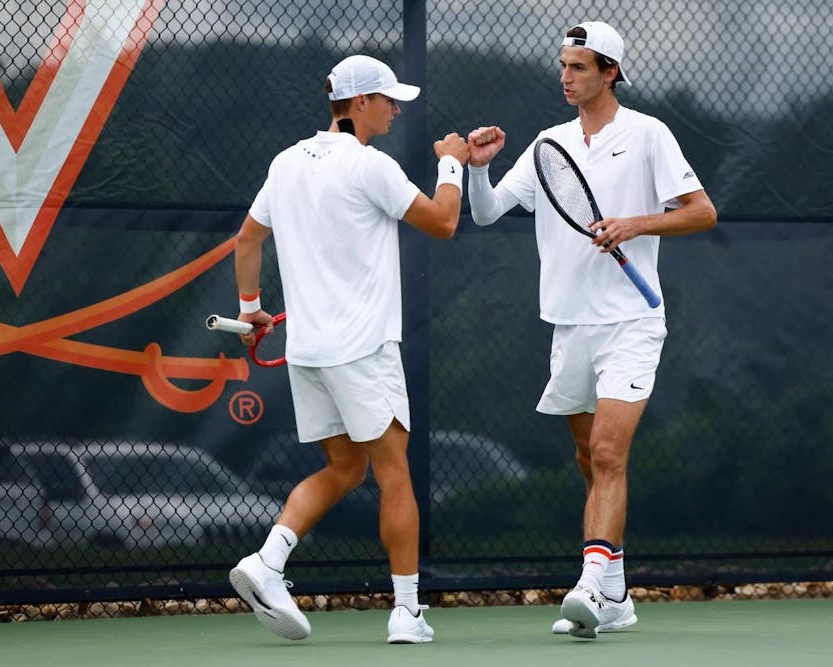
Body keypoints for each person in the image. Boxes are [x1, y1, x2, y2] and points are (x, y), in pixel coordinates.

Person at [466, 21, 717, 639]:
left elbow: (702, 212)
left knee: (607, 452)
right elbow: (487, 212)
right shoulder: (547, 143)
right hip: (570, 325)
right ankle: (616, 593)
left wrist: (636, 224)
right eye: (563, 65)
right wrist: (476, 170)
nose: (566, 76)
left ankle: (589, 586)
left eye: (578, 66)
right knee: (589, 459)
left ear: (610, 73)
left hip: (632, 323)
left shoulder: (649, 134)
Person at [228, 54, 469, 645]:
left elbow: (248, 239)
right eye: (388, 100)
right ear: (359, 103)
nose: (395, 111)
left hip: (310, 353)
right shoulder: (370, 166)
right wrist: (453, 163)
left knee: (345, 469)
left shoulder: (285, 162)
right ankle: (407, 613)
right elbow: (443, 222)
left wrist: (250, 308)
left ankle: (268, 560)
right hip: (362, 350)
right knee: (393, 474)